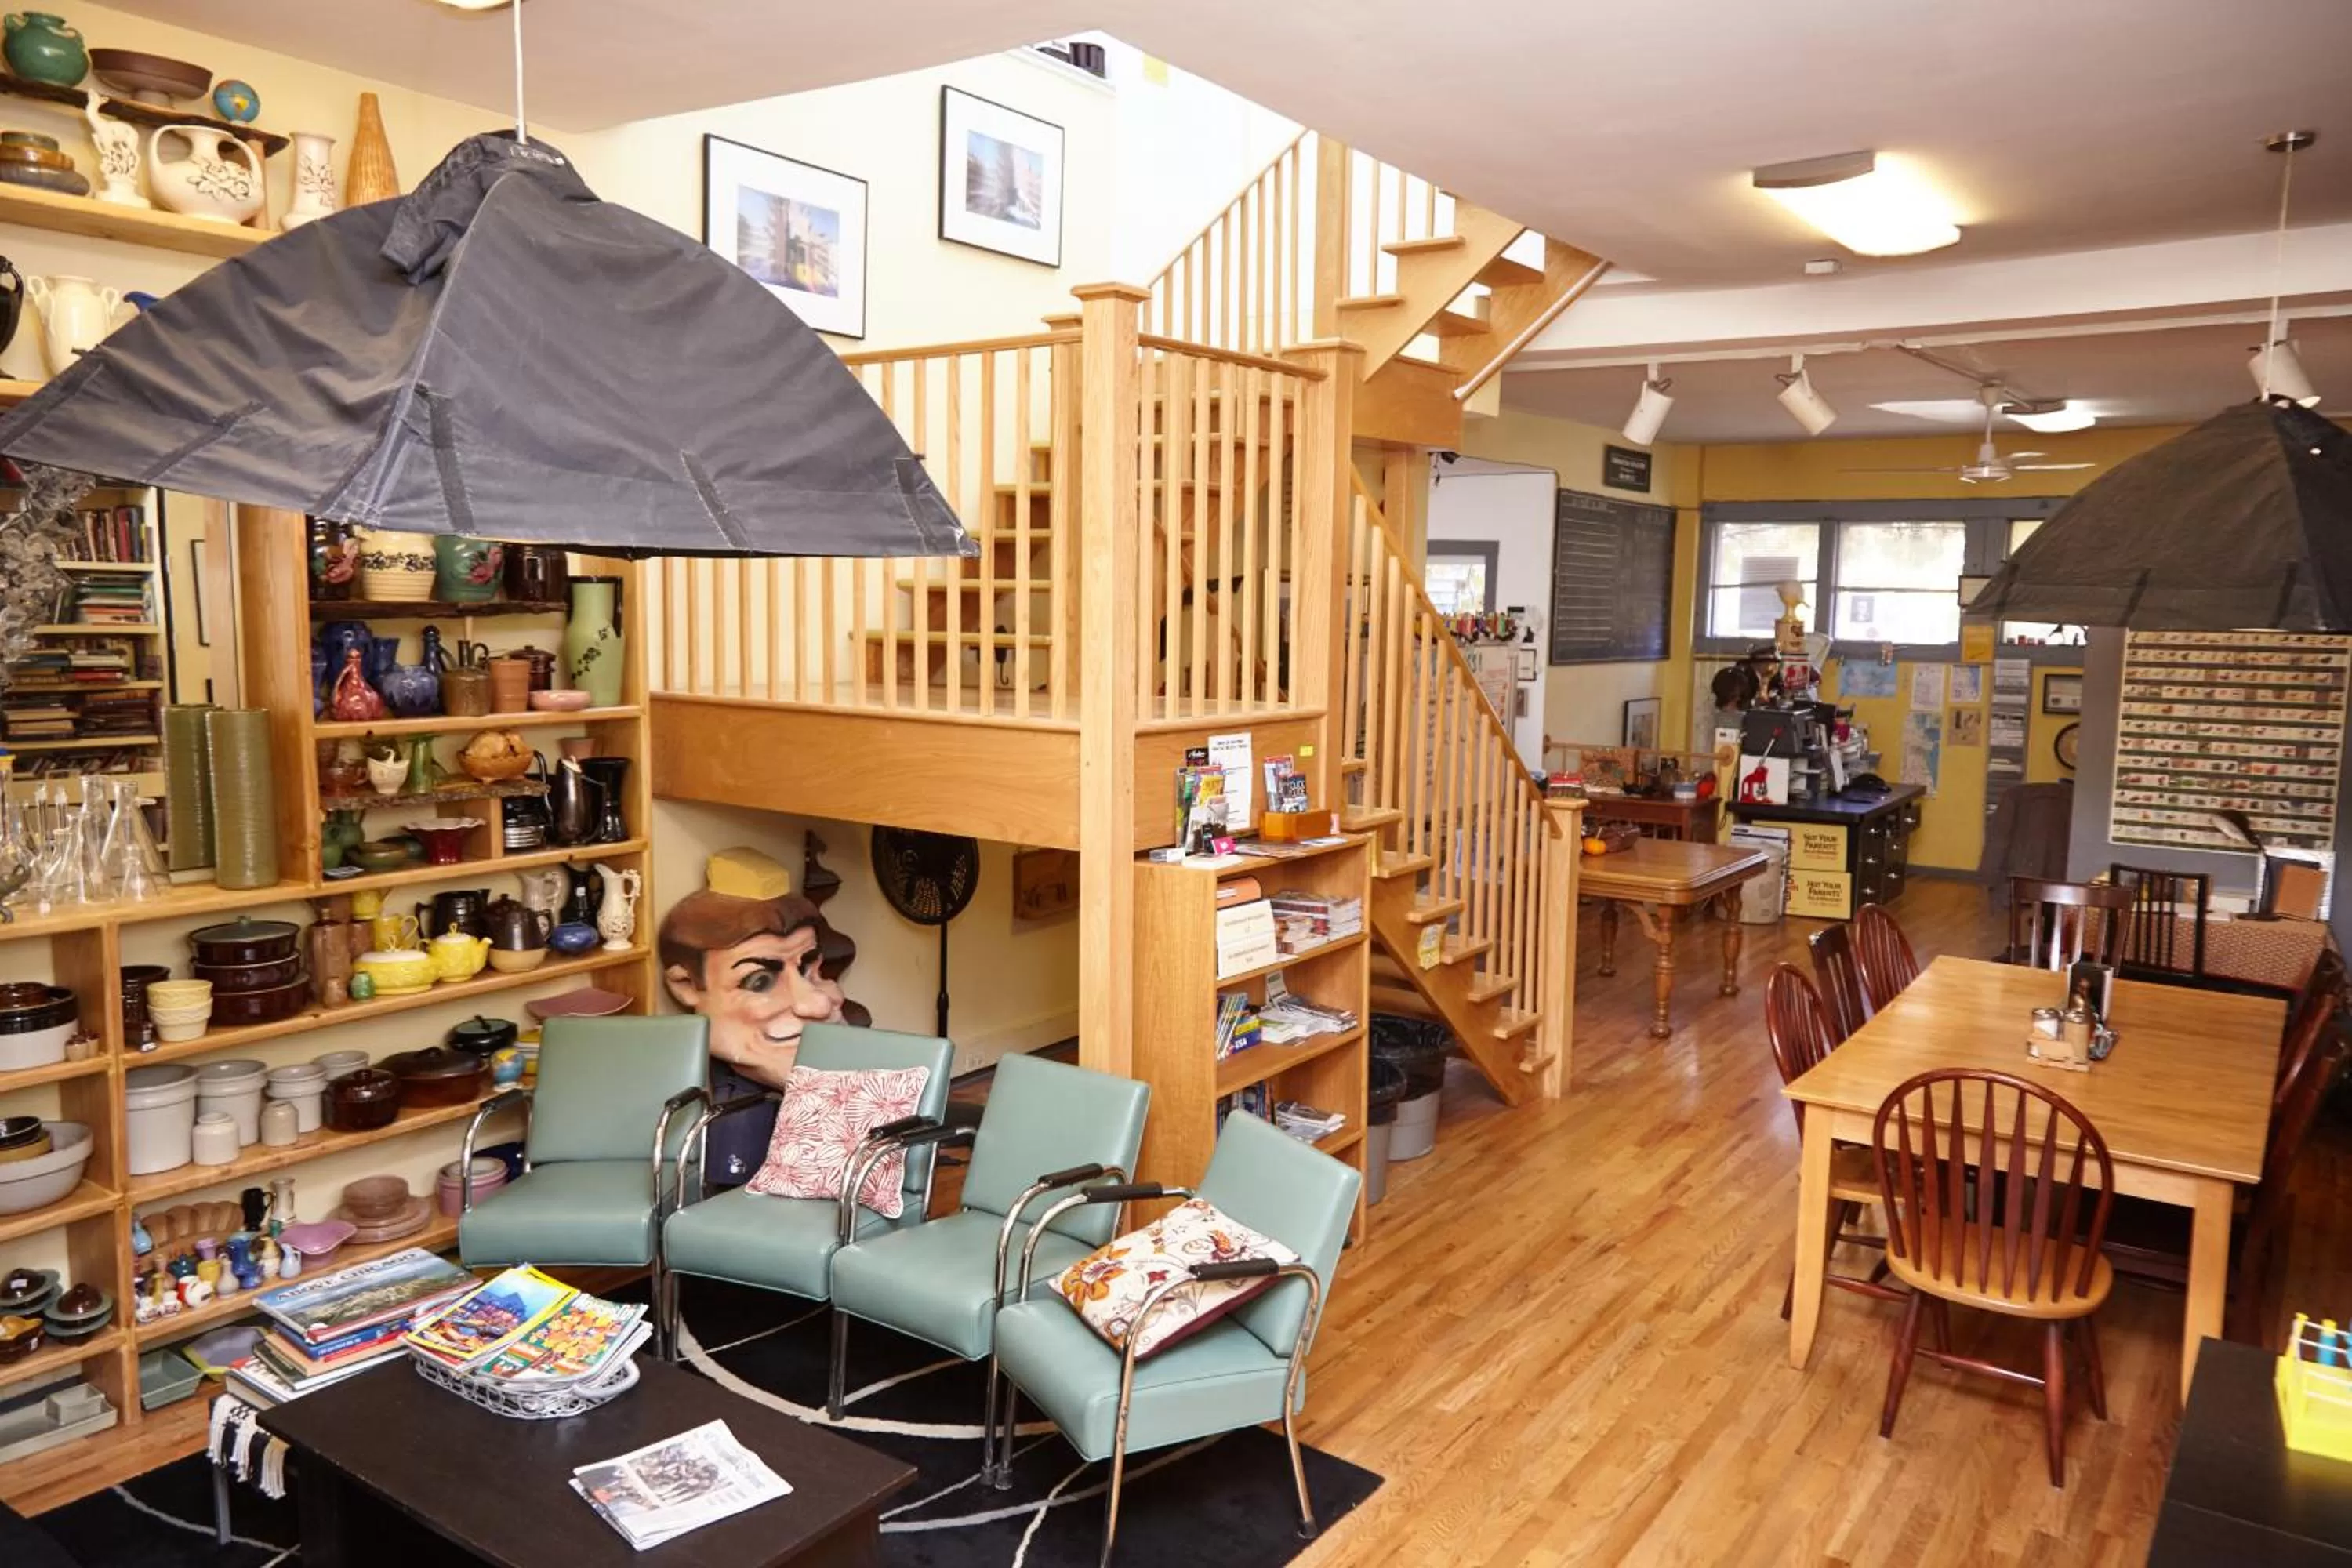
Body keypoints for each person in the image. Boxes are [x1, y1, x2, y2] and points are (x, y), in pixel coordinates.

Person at [659, 889, 850, 1184]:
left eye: (807, 969)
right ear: (686, 985)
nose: (818, 1005)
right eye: (760, 981)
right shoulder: (737, 1110)